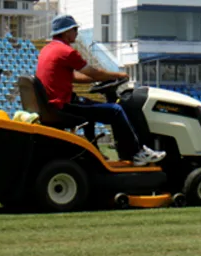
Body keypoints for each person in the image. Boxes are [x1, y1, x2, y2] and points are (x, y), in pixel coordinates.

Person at [36, 14, 165, 166]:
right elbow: (94, 72)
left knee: (90, 106)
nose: (77, 32)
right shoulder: (66, 52)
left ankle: (94, 153)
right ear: (66, 32)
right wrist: (119, 75)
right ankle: (136, 153)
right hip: (63, 105)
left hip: (53, 104)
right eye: (74, 29)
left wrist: (100, 78)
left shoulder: (48, 50)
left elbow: (75, 77)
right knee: (115, 110)